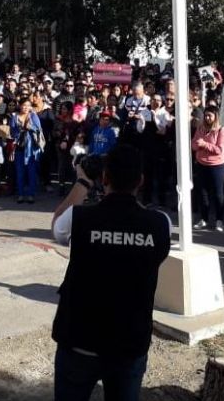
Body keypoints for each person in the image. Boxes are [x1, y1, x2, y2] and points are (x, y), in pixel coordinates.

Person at [50, 144, 171, 401]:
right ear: (140, 181)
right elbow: (156, 257)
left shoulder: (79, 217)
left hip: (80, 338)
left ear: (104, 178)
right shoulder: (161, 223)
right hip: (129, 341)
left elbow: (56, 228)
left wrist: (83, 181)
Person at [191, 105, 224, 232]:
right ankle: (204, 219)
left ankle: (219, 220)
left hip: (217, 166)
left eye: (210, 116)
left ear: (216, 117)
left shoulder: (222, 130)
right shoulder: (201, 128)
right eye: (206, 115)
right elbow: (194, 143)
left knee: (218, 194)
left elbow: (219, 150)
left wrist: (204, 145)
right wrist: (197, 145)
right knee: (203, 193)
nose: (207, 118)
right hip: (201, 164)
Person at [10, 97, 43, 204]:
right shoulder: (14, 117)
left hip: (32, 148)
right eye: (24, 105)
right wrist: (19, 131)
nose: (26, 107)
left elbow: (39, 130)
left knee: (31, 172)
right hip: (20, 147)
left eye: (28, 105)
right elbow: (12, 132)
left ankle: (31, 194)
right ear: (20, 106)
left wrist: (30, 127)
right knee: (20, 172)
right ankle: (20, 194)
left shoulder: (33, 116)